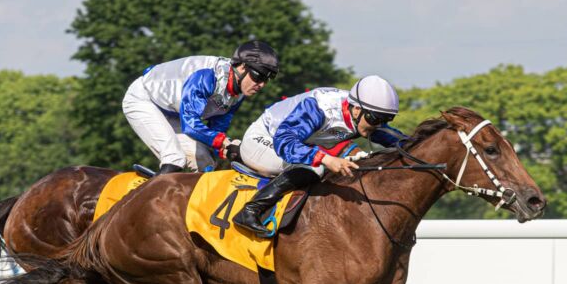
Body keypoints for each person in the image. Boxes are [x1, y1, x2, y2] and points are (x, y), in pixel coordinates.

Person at [232, 75, 408, 235]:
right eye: (375, 119)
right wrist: (326, 159)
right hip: (265, 140)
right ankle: (250, 210)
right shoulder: (319, 107)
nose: (378, 125)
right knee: (315, 168)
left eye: (386, 120)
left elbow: (398, 140)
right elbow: (285, 142)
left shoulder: (364, 116)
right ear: (356, 109)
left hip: (290, 144)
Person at [121, 40, 279, 174]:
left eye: (266, 80)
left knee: (206, 162)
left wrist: (228, 149)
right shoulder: (207, 76)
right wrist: (224, 142)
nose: (261, 85)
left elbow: (217, 129)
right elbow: (190, 125)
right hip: (144, 99)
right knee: (174, 157)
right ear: (242, 67)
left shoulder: (238, 93)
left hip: (175, 113)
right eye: (258, 76)